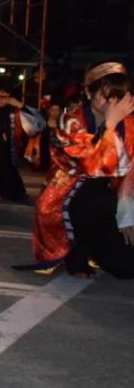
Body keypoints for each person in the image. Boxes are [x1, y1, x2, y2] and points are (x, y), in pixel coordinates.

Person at [29, 63, 134, 278]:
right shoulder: (70, 121)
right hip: (70, 192)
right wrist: (111, 124)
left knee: (126, 268)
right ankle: (78, 255)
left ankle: (96, 249)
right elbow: (92, 165)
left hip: (112, 198)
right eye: (106, 97)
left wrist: (127, 215)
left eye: (118, 97)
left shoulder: (130, 125)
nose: (112, 103)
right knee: (96, 196)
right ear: (88, 92)